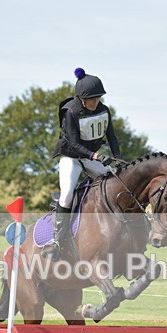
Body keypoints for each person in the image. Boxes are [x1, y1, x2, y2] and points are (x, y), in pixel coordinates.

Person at [43, 67, 122, 260]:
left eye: (98, 98)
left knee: (115, 183)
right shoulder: (70, 112)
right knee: (67, 195)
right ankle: (56, 241)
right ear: (82, 99)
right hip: (71, 157)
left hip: (90, 157)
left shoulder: (104, 110)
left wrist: (118, 158)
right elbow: (74, 144)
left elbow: (112, 136)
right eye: (93, 99)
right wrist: (96, 156)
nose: (96, 103)